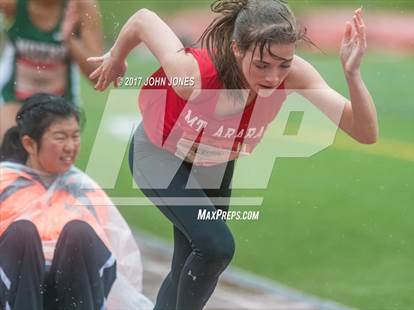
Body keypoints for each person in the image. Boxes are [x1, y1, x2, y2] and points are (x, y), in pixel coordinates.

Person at [88, 0, 379, 309]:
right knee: (216, 248)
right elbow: (144, 19)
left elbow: (364, 132)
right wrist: (117, 58)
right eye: (262, 65)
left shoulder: (295, 76)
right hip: (160, 156)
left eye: (284, 64)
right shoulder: (193, 75)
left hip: (215, 166)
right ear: (237, 49)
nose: (273, 77)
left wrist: (353, 75)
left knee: (189, 264)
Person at [0, 93, 153, 310]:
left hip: (73, 297)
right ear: (29, 144)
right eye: (60, 137)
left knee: (79, 232)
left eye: (75, 136)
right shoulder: (4, 183)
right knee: (22, 233)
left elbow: (120, 262)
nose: (70, 146)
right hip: (16, 296)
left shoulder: (84, 189)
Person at [0, 0, 103, 143]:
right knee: (12, 149)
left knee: (53, 153)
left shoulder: (81, 6)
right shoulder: (12, 3)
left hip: (61, 105)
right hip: (14, 99)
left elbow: (98, 76)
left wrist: (70, 40)